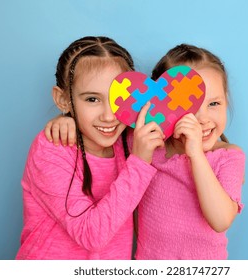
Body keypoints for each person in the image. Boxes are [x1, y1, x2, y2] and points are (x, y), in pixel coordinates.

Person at [45, 43, 245, 259]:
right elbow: (101, 133)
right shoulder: (145, 143)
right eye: (188, 106)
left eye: (214, 103)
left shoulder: (229, 157)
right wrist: (67, 120)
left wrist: (195, 154)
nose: (202, 119)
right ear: (163, 106)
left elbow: (221, 220)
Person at [16, 36, 164, 260]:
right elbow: (92, 235)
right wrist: (140, 162)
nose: (108, 116)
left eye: (119, 99)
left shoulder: (130, 141)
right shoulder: (51, 149)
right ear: (63, 99)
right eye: (92, 99)